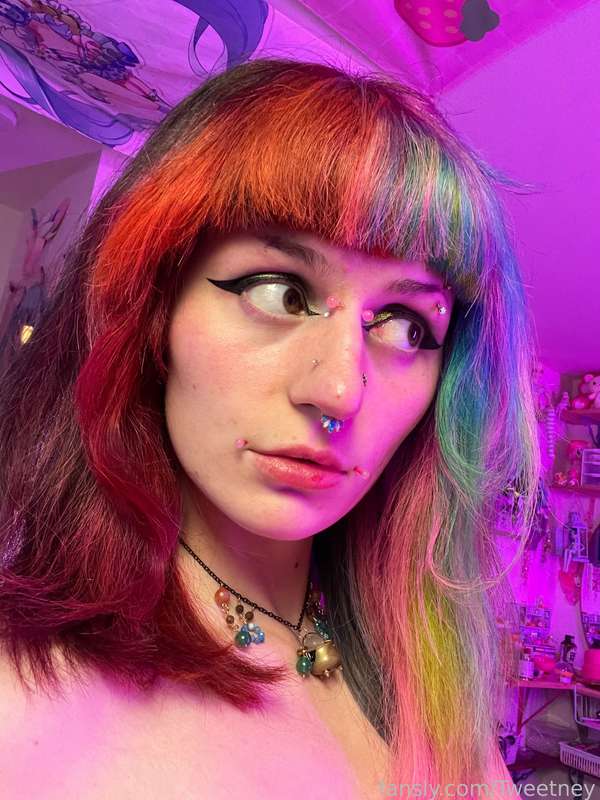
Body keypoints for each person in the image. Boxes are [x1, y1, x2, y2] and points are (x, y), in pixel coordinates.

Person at [0, 58, 540, 797]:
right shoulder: (25, 701)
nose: (338, 390)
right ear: (152, 307)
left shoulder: (431, 686)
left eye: (405, 325)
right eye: (281, 291)